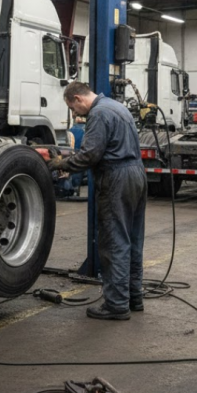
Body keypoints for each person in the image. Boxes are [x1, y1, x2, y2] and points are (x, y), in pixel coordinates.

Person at [49, 81, 147, 320]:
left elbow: (90, 155)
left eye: (73, 109)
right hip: (136, 174)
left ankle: (116, 305)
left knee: (114, 241)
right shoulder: (117, 106)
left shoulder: (99, 113)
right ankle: (133, 297)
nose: (75, 114)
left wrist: (61, 164)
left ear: (78, 99)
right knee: (133, 239)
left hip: (117, 178)